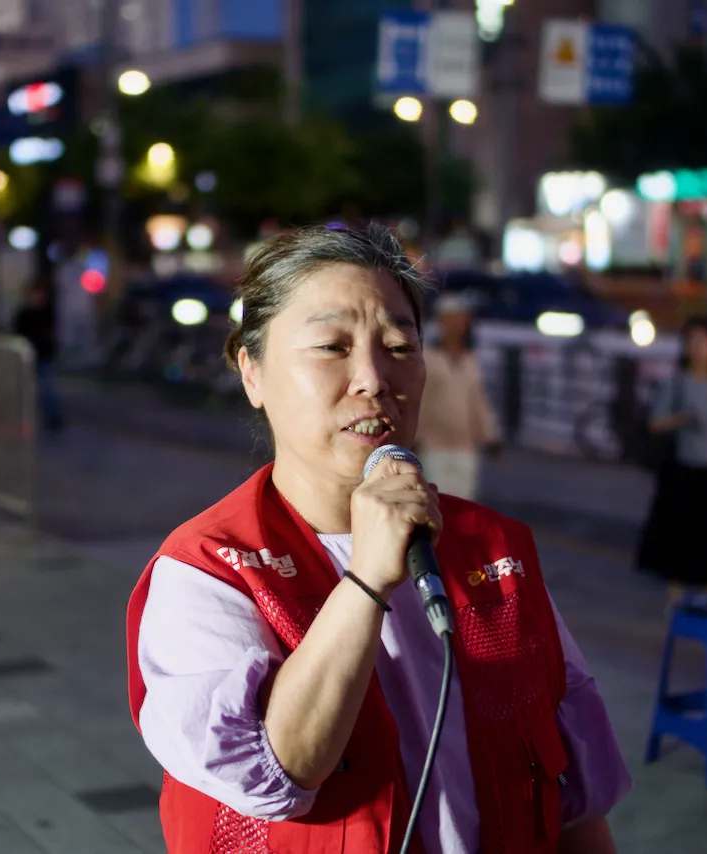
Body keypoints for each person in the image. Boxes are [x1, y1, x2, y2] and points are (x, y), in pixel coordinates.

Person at [125, 224, 630, 854]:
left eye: (398, 344)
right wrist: (365, 579)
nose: (373, 377)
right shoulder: (207, 572)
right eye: (332, 347)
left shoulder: (495, 550)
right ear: (251, 371)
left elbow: (574, 799)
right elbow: (281, 771)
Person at [637, 316, 707, 604]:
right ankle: (676, 606)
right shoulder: (676, 383)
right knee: (680, 543)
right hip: (685, 472)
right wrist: (683, 419)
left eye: (703, 341)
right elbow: (655, 423)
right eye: (691, 342)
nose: (697, 348)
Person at [414, 294, 502, 501]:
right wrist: (414, 437)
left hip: (465, 448)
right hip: (433, 447)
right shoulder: (428, 359)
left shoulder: (469, 360)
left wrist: (490, 437)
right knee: (438, 505)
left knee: (464, 508)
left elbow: (477, 403)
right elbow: (419, 401)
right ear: (442, 322)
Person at [11, 280, 62, 433]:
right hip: (27, 357)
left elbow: (51, 334)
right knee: (26, 388)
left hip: (44, 355)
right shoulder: (23, 314)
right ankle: (24, 418)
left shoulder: (47, 312)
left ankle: (53, 418)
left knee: (47, 388)